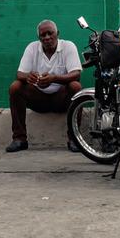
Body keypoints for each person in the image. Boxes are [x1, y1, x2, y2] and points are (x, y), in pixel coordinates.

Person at [5, 20, 83, 153]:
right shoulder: (32, 48)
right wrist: (29, 77)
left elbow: (76, 74)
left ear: (57, 34)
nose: (47, 37)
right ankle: (19, 139)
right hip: (38, 99)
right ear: (39, 38)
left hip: (61, 99)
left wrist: (55, 78)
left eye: (50, 33)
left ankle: (74, 139)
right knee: (15, 87)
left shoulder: (68, 46)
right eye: (43, 35)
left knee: (76, 87)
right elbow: (20, 73)